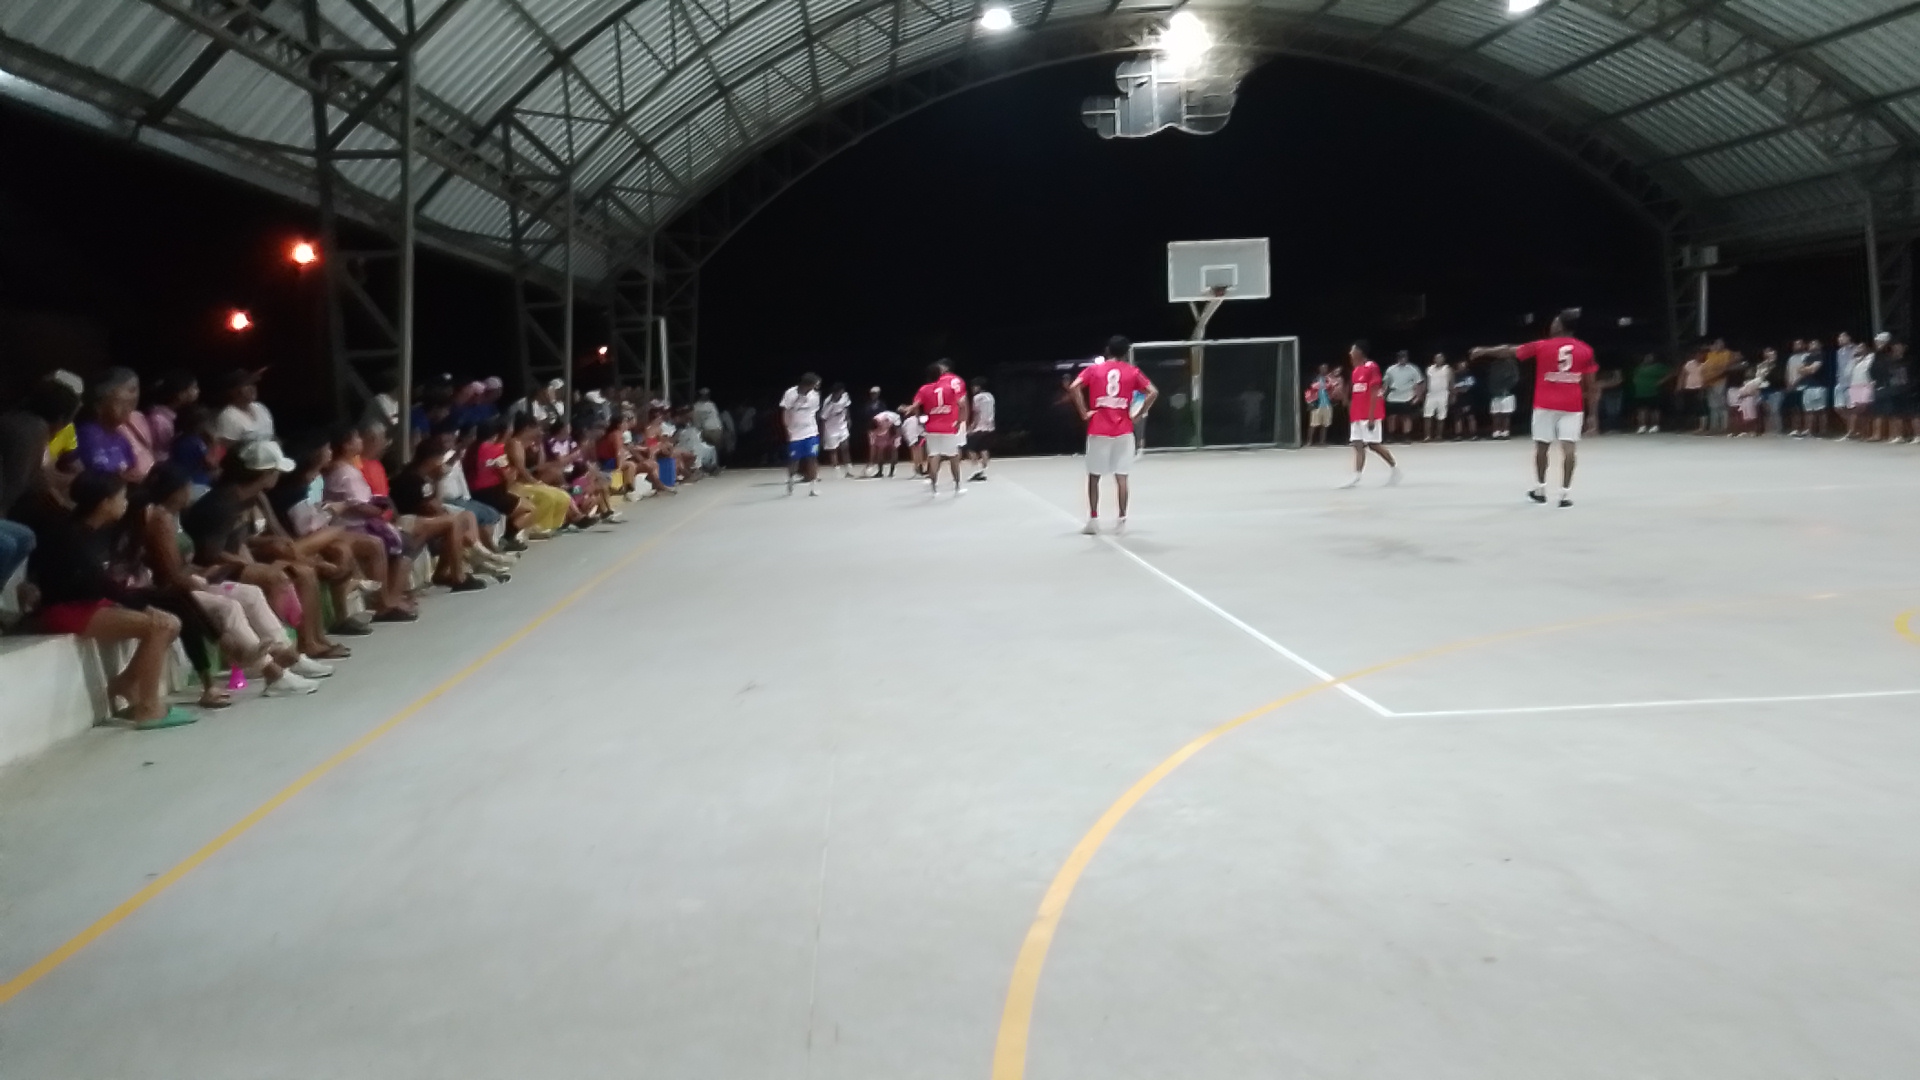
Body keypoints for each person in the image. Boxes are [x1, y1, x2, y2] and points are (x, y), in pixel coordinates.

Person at [132, 463, 327, 700]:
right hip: (173, 589)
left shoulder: (174, 515)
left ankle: (287, 654)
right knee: (229, 607)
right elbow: (170, 575)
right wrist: (201, 579)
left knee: (251, 594)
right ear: (176, 490)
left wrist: (209, 572)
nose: (190, 491)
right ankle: (272, 673)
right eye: (187, 486)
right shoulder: (160, 520)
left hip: (192, 578)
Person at [185, 440, 353, 662]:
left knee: (306, 570)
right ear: (263, 473)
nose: (278, 476)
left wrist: (283, 550)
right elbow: (210, 554)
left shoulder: (254, 496)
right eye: (275, 471)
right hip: (216, 568)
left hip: (239, 559)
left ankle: (314, 639)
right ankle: (291, 647)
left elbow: (259, 536)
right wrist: (251, 564)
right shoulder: (223, 504)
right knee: (279, 576)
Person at [1471, 309, 1597, 508]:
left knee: (1542, 447)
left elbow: (1508, 350)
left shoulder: (1542, 345)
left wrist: (1484, 351)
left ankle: (1540, 490)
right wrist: (1592, 415)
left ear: (1559, 326)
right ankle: (1564, 495)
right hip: (1572, 405)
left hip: (1545, 404)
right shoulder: (1585, 350)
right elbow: (1591, 386)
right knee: (1569, 448)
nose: (1552, 324)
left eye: (1554, 322)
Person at [1, 377, 84, 601]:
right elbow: (13, 487)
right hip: (7, 509)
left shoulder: (23, 422)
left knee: (32, 532)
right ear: (61, 418)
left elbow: (38, 479)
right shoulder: (31, 430)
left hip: (13, 507)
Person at [1068, 336, 1156, 533]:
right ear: (1126, 353)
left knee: (1094, 476)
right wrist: (1138, 414)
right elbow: (1153, 392)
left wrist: (1084, 413)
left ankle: (1093, 520)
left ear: (1108, 350)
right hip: (1123, 429)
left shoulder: (1094, 370)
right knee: (1122, 476)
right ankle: (1121, 521)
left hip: (1098, 428)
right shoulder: (1132, 371)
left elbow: (1074, 387)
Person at [1338, 343, 1399, 489]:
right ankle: (1357, 476)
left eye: (1353, 350)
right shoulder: (1355, 370)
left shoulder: (1372, 367)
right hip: (1357, 414)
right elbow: (1356, 394)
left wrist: (1371, 416)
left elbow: (1374, 392)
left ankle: (1395, 469)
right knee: (1357, 444)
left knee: (1373, 445)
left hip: (1369, 413)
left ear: (1360, 352)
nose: (1350, 353)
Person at [906, 362, 971, 496]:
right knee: (953, 456)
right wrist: (960, 421)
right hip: (949, 426)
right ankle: (957, 486)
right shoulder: (950, 386)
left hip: (932, 428)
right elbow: (962, 404)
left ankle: (934, 488)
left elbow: (914, 406)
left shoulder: (924, 389)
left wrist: (910, 410)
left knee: (934, 456)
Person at [75, 368, 147, 481]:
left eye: (131, 405)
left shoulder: (122, 439)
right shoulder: (85, 435)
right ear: (99, 404)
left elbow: (131, 471)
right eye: (122, 404)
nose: (129, 410)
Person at [780, 373, 824, 496]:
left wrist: (818, 431)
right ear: (807, 384)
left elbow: (814, 413)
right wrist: (787, 429)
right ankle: (790, 481)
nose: (816, 387)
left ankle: (813, 487)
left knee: (812, 458)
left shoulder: (815, 396)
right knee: (794, 460)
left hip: (811, 431)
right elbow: (785, 412)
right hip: (795, 433)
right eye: (814, 384)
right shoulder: (790, 393)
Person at [212, 368, 275, 448]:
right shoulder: (228, 416)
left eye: (252, 384)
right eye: (246, 385)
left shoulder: (261, 408)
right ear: (233, 391)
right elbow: (227, 449)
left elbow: (272, 438)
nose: (252, 388)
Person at [814, 382, 851, 478]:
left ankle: (848, 471)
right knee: (833, 450)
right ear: (835, 392)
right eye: (840, 392)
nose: (841, 393)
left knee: (845, 447)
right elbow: (822, 418)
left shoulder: (845, 396)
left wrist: (848, 419)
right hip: (831, 428)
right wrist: (822, 433)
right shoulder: (828, 403)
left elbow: (846, 408)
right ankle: (837, 471)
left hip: (842, 426)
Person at [1383, 351, 1422, 442]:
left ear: (1407, 358)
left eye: (1404, 357)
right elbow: (1385, 384)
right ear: (1397, 358)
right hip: (1393, 397)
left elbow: (1418, 383)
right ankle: (1391, 436)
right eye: (1400, 357)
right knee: (1391, 417)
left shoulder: (1413, 369)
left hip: (1407, 396)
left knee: (1406, 417)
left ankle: (1406, 436)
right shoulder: (1391, 369)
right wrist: (1383, 395)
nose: (1402, 359)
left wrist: (1418, 397)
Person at [1483, 346, 1519, 440]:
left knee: (1506, 414)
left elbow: (1515, 378)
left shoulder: (1511, 363)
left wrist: (1507, 388)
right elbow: (1490, 378)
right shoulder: (1494, 364)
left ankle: (1505, 432)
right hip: (1495, 393)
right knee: (1495, 414)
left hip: (1507, 393)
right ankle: (1496, 432)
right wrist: (1492, 389)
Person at [1631, 353, 1671, 433]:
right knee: (1641, 410)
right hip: (1640, 392)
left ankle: (1655, 426)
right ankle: (1642, 426)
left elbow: (1672, 373)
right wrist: (1635, 381)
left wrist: (1662, 381)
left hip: (1654, 391)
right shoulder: (1639, 367)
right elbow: (1635, 376)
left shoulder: (1659, 366)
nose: (1648, 359)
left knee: (1654, 410)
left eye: (1650, 357)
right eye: (1647, 357)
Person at [967, 377, 997, 482]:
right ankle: (984, 470)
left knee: (970, 448)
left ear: (978, 387)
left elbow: (976, 414)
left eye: (973, 387)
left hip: (980, 427)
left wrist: (971, 427)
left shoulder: (977, 398)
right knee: (984, 448)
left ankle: (976, 469)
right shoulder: (990, 396)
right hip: (990, 426)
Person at [1795, 339, 1827, 438]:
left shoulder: (1821, 355)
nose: (1812, 345)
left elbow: (1813, 370)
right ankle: (1808, 431)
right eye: (1811, 343)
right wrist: (1807, 369)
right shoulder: (1807, 357)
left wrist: (1806, 369)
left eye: (1814, 343)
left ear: (1819, 346)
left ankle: (1822, 431)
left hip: (1819, 386)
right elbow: (1799, 370)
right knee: (1808, 410)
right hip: (1808, 386)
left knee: (1820, 410)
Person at [1831, 333, 1859, 440]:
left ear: (1848, 337)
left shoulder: (1855, 349)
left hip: (1852, 382)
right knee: (1838, 408)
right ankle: (1853, 429)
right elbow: (1839, 367)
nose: (1840, 339)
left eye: (1842, 337)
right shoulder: (1839, 351)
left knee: (1851, 408)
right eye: (1839, 337)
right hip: (1841, 382)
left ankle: (1851, 432)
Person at [1303, 364, 1337, 447]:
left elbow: (1334, 388)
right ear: (1319, 369)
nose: (1324, 370)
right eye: (1323, 368)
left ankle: (1322, 441)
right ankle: (1309, 441)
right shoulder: (1314, 379)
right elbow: (1309, 389)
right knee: (1313, 424)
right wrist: (1309, 401)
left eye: (1326, 368)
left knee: (1325, 424)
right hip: (1317, 404)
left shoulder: (1329, 379)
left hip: (1327, 404)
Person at [866, 401, 900, 479]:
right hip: (884, 431)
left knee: (893, 449)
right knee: (880, 450)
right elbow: (873, 446)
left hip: (893, 428)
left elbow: (895, 428)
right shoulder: (872, 430)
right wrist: (871, 461)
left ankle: (891, 471)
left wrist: (896, 438)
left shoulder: (886, 419)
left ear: (878, 424)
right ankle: (880, 471)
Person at [1421, 353, 1451, 442]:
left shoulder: (1447, 369)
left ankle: (1439, 436)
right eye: (1437, 358)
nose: (1439, 360)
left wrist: (1452, 395)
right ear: (1434, 359)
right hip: (1431, 395)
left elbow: (1451, 382)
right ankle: (1427, 436)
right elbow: (1426, 382)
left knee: (1441, 416)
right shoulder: (1429, 369)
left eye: (1441, 358)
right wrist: (1423, 394)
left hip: (1443, 394)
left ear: (1444, 359)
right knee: (1427, 415)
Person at [1450, 359, 1478, 440]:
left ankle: (1473, 434)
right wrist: (1453, 394)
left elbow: (1467, 388)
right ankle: (1458, 435)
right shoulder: (1454, 376)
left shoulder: (1469, 375)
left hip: (1468, 398)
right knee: (1457, 417)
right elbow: (1451, 387)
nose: (1462, 367)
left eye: (1464, 365)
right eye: (1460, 365)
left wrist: (1457, 390)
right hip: (1457, 399)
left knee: (1470, 416)